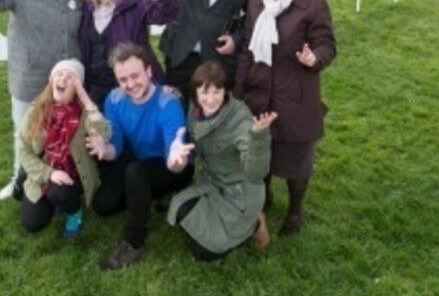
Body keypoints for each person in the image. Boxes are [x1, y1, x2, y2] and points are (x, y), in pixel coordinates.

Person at [235, 0, 337, 236]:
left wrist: (314, 58)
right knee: (261, 149)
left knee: (297, 159)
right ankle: (264, 195)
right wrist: (239, 89)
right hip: (260, 90)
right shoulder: (256, 3)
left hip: (295, 93)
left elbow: (327, 44)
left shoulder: (313, 4)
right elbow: (247, 49)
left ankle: (295, 210)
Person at [0, 0, 83, 199]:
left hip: (65, 79)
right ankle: (19, 180)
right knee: (25, 133)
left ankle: (68, 180)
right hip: (29, 75)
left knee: (66, 131)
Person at [89, 43, 193, 270]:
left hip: (171, 166)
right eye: (123, 79)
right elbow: (116, 146)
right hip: (138, 161)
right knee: (103, 205)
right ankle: (148, 196)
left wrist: (176, 158)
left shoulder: (168, 103)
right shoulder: (114, 99)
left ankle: (135, 242)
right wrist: (104, 149)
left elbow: (174, 153)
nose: (130, 84)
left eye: (135, 76)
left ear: (149, 71)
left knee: (135, 173)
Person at [167, 60, 274, 262]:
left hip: (239, 195)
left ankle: (255, 224)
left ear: (225, 92)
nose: (210, 99)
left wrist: (258, 138)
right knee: (180, 208)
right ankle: (222, 224)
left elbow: (256, 172)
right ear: (196, 93)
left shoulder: (240, 118)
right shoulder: (194, 109)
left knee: (202, 253)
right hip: (211, 182)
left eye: (217, 91)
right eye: (204, 92)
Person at [16, 59, 110, 237]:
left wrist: (85, 98)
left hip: (74, 175)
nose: (63, 79)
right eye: (59, 74)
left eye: (70, 77)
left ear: (77, 88)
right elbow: (22, 149)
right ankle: (51, 198)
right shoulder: (36, 110)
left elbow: (103, 132)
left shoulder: (85, 112)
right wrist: (49, 173)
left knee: (60, 193)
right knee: (32, 222)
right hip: (45, 171)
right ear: (52, 80)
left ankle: (74, 211)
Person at [78, 0, 180, 105]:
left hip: (131, 87)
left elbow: (166, 13)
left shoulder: (134, 3)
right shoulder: (85, 9)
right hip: (95, 89)